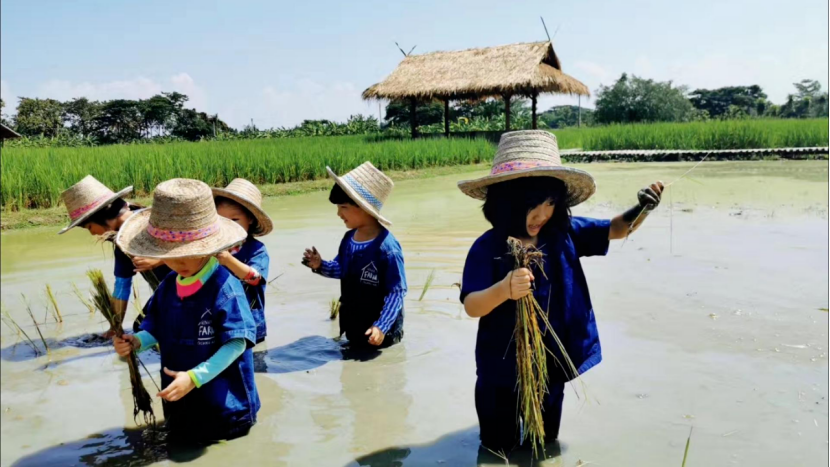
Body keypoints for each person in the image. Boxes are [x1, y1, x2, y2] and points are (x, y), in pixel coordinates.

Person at [457, 130, 664, 453]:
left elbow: (616, 229)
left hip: (551, 363)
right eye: (532, 206)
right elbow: (472, 305)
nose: (542, 215)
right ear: (507, 203)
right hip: (500, 369)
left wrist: (642, 209)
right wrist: (504, 289)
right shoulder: (489, 247)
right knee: (497, 447)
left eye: (551, 203)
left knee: (544, 445)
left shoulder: (563, 234)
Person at [113, 178, 260, 442]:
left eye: (187, 252)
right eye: (169, 254)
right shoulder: (168, 285)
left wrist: (194, 377)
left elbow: (238, 342)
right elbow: (157, 329)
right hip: (181, 400)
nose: (179, 261)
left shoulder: (225, 287)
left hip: (225, 407)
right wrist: (136, 342)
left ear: (209, 248)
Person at [301, 162, 407, 349]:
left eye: (343, 207)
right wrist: (320, 265)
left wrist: (381, 327)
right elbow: (342, 269)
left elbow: (396, 292)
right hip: (354, 323)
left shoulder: (388, 249)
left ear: (363, 208)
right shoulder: (349, 239)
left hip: (381, 332)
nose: (338, 214)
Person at [57, 175, 171, 335]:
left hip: (201, 286)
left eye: (90, 227)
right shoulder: (121, 241)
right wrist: (115, 326)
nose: (93, 234)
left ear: (103, 217)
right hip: (171, 294)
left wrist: (159, 260)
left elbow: (200, 251)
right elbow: (122, 285)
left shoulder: (155, 221)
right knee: (142, 328)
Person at [213, 178, 273, 344]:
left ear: (251, 219)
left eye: (235, 220)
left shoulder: (257, 250)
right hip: (218, 320)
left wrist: (227, 259)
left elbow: (255, 278)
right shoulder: (210, 247)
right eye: (222, 220)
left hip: (249, 322)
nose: (228, 226)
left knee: (252, 366)